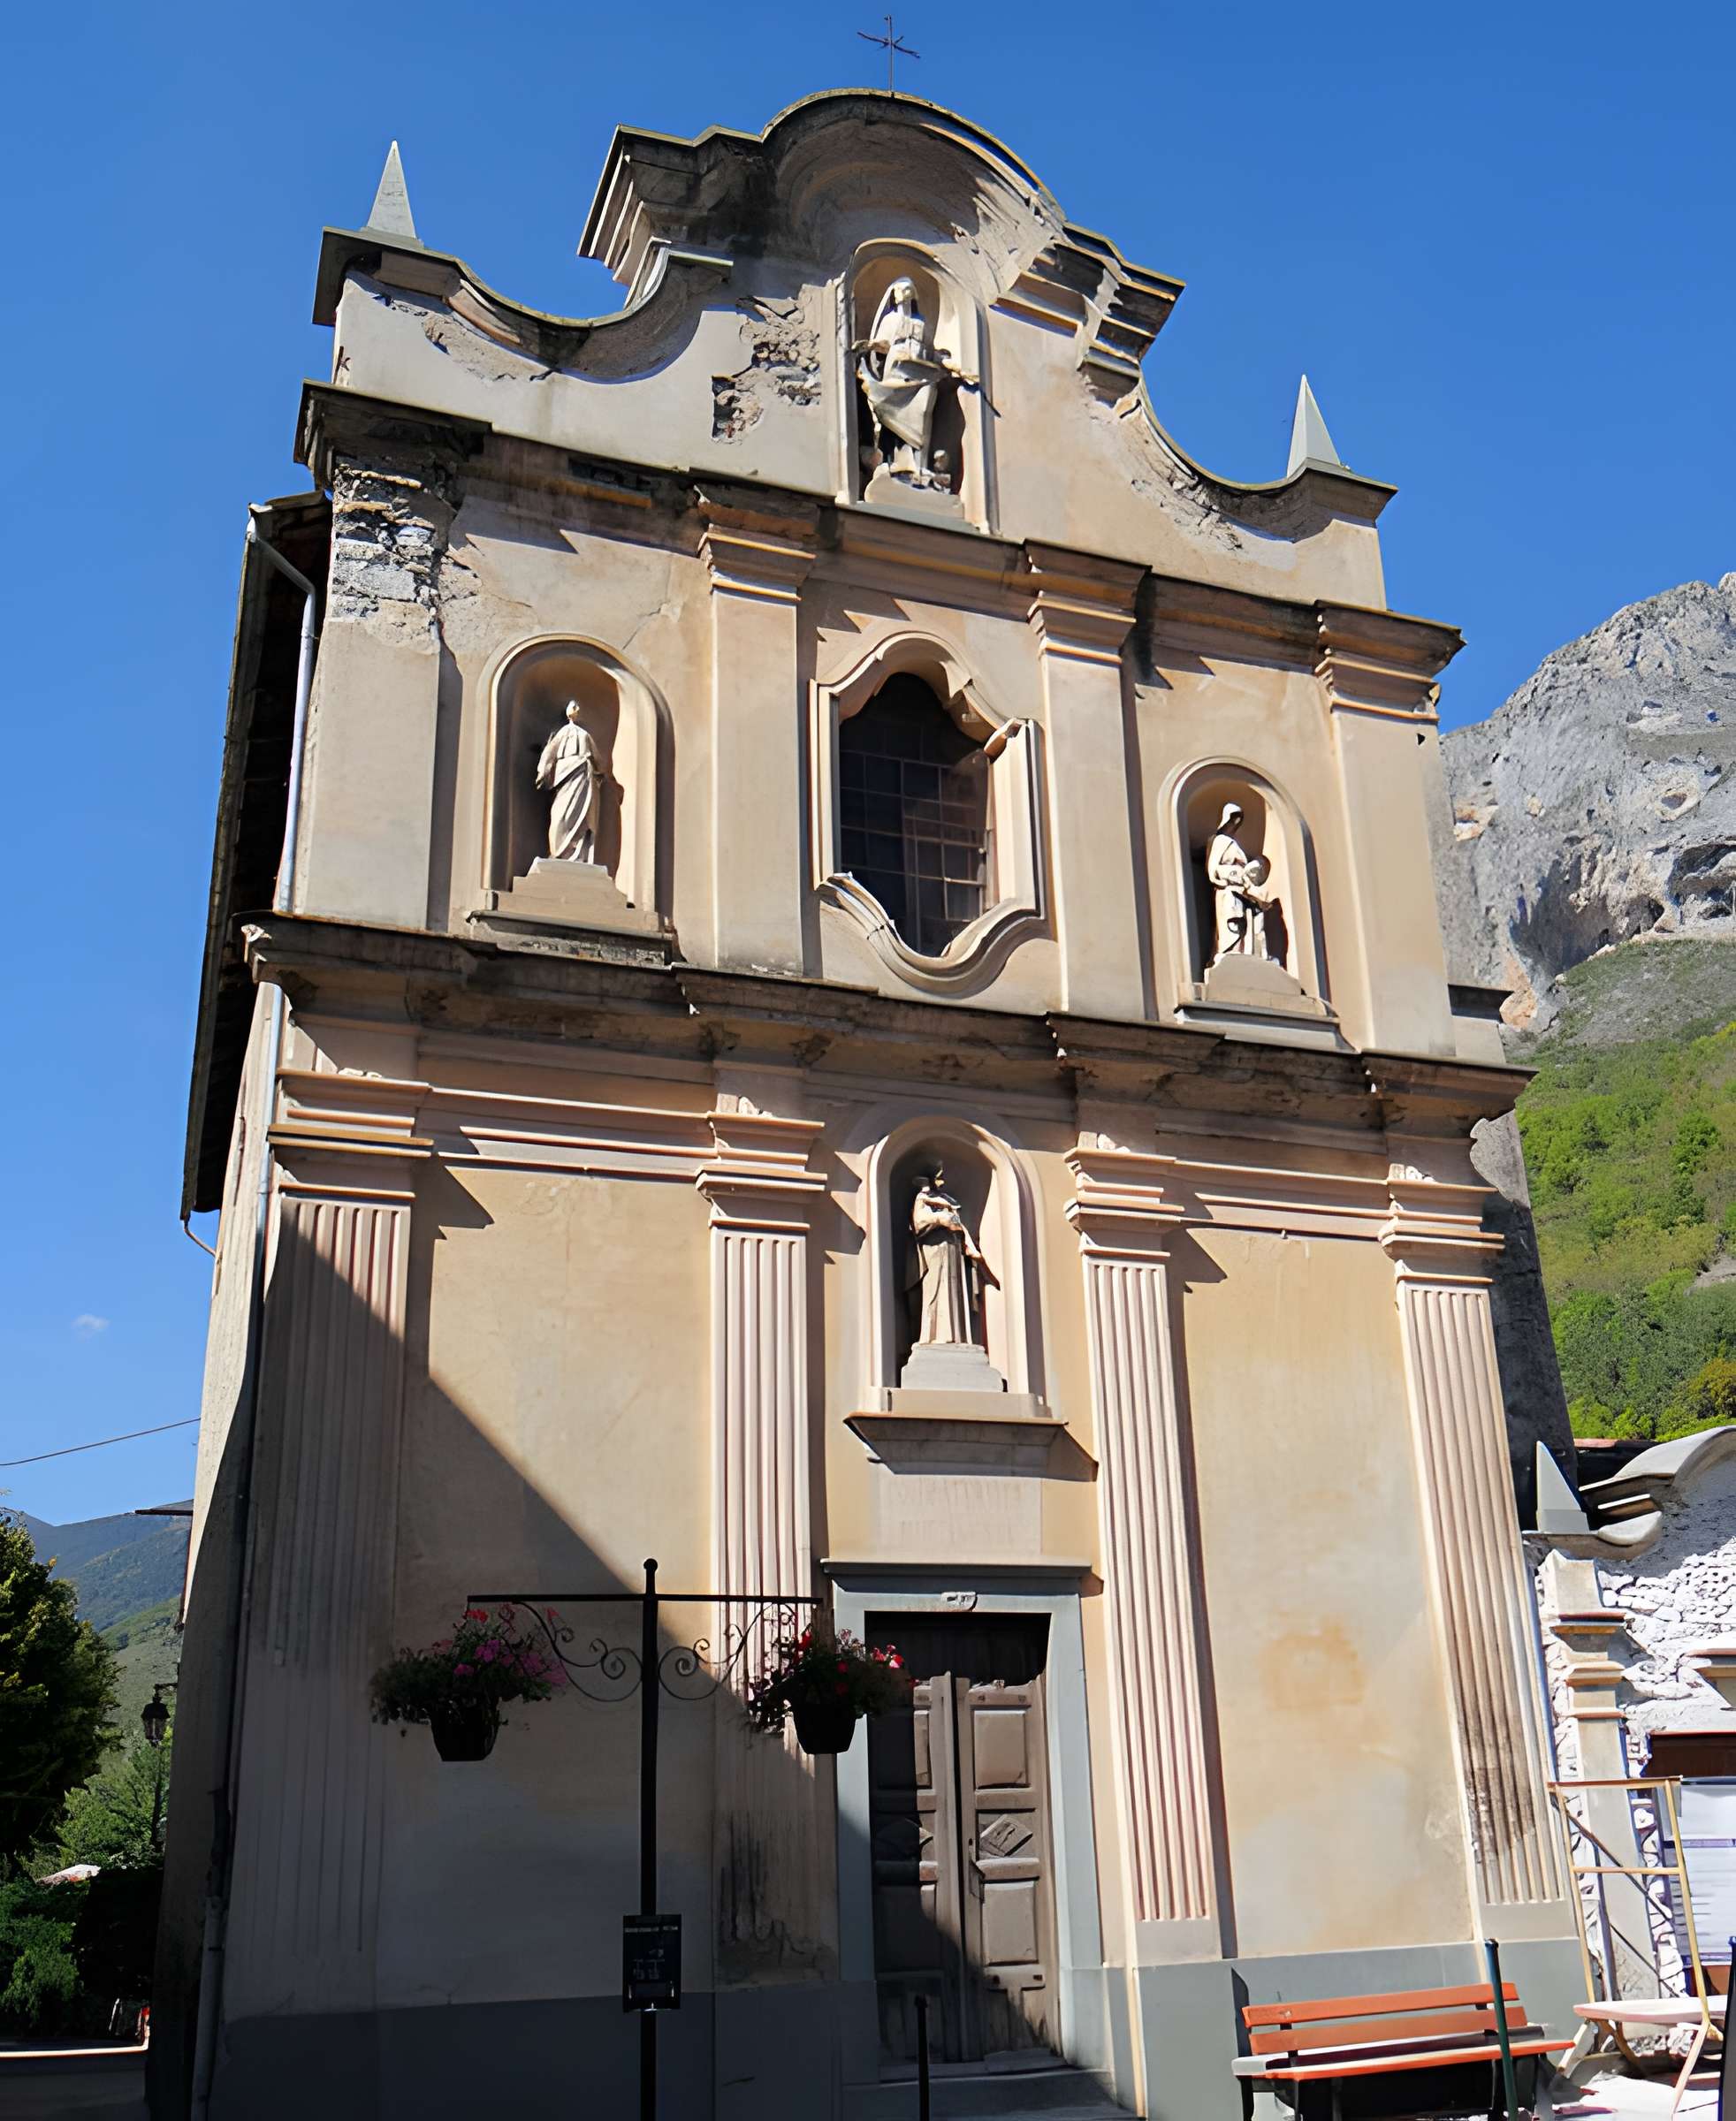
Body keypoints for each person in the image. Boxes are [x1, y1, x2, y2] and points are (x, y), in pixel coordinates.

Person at [536, 702, 605, 864]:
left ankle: (579, 856)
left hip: (583, 777)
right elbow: (549, 754)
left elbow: (598, 760)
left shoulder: (585, 735)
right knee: (561, 816)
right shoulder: (562, 733)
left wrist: (598, 773)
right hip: (564, 776)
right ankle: (558, 853)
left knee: (582, 817)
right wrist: (543, 772)